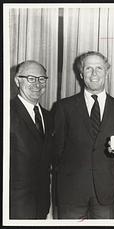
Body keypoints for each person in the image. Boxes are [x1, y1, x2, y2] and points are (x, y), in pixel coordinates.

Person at [53, 51, 114, 219]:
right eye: (88, 69)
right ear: (81, 74)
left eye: (99, 68)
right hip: (71, 192)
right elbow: (56, 150)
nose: (94, 74)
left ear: (106, 73)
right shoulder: (64, 107)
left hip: (106, 193)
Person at [10, 60, 52, 219]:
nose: (37, 84)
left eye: (41, 79)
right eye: (31, 78)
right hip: (14, 204)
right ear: (17, 81)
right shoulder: (7, 113)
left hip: (41, 202)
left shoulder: (49, 117)